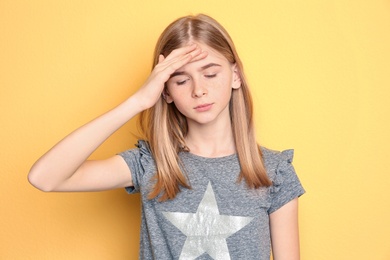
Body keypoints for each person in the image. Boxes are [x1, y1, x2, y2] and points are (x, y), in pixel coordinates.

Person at [28, 14, 305, 260]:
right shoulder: (151, 163)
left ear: (235, 76)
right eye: (181, 80)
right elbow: (45, 177)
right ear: (166, 91)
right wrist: (137, 101)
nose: (199, 90)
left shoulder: (274, 171)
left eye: (210, 73)